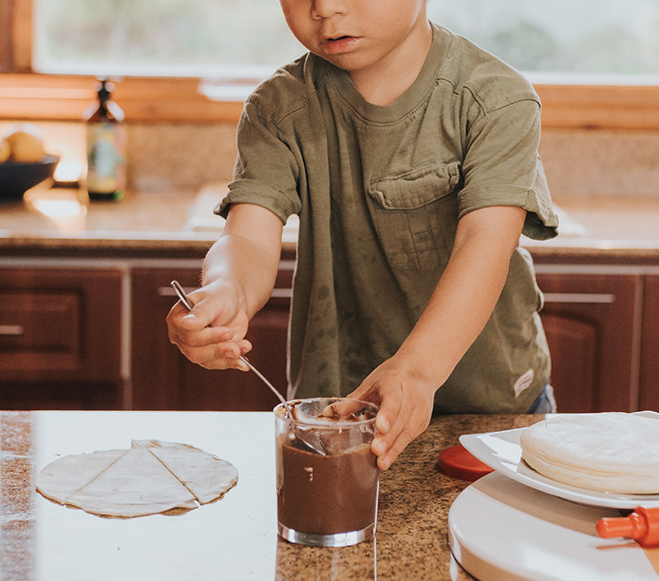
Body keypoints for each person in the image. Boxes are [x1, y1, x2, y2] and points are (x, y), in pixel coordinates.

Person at [167, 0, 559, 471]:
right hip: (340, 417)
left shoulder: (495, 97)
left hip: (492, 411)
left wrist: (415, 372)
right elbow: (248, 237)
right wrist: (226, 290)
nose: (325, 7)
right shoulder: (277, 107)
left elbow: (484, 243)